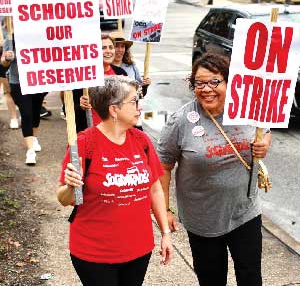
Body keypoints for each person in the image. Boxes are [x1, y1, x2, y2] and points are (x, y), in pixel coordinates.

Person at [157, 53, 271, 286]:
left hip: (245, 210)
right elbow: (163, 166)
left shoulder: (248, 109)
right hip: (203, 218)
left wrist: (264, 143)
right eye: (199, 83)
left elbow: (265, 130)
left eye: (214, 82)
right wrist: (165, 209)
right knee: (211, 279)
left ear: (229, 82)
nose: (206, 89)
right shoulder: (181, 121)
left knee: (250, 276)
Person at [57, 75, 173, 286]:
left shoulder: (142, 140)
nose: (139, 106)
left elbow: (155, 190)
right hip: (95, 254)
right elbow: (64, 199)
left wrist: (165, 233)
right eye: (133, 101)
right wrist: (70, 185)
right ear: (114, 109)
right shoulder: (84, 144)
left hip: (139, 249)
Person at [1, 34, 47, 165]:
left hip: (40, 81)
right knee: (26, 113)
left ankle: (33, 138)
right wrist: (7, 58)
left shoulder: (41, 36)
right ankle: (30, 150)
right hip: (19, 83)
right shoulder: (10, 39)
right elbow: (2, 65)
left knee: (35, 112)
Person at [73, 34, 127, 132]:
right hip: (92, 134)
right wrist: (81, 106)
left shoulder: (121, 73)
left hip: (117, 132)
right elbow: (68, 108)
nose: (108, 51)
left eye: (111, 47)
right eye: (103, 48)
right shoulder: (84, 75)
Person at [109, 31, 151, 98]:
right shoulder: (103, 67)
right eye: (116, 46)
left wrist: (145, 85)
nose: (120, 50)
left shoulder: (131, 66)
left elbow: (140, 94)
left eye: (122, 46)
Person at [0, 18, 19, 129]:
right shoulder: (4, 15)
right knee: (8, 90)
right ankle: (13, 117)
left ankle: (24, 112)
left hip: (16, 50)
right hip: (3, 52)